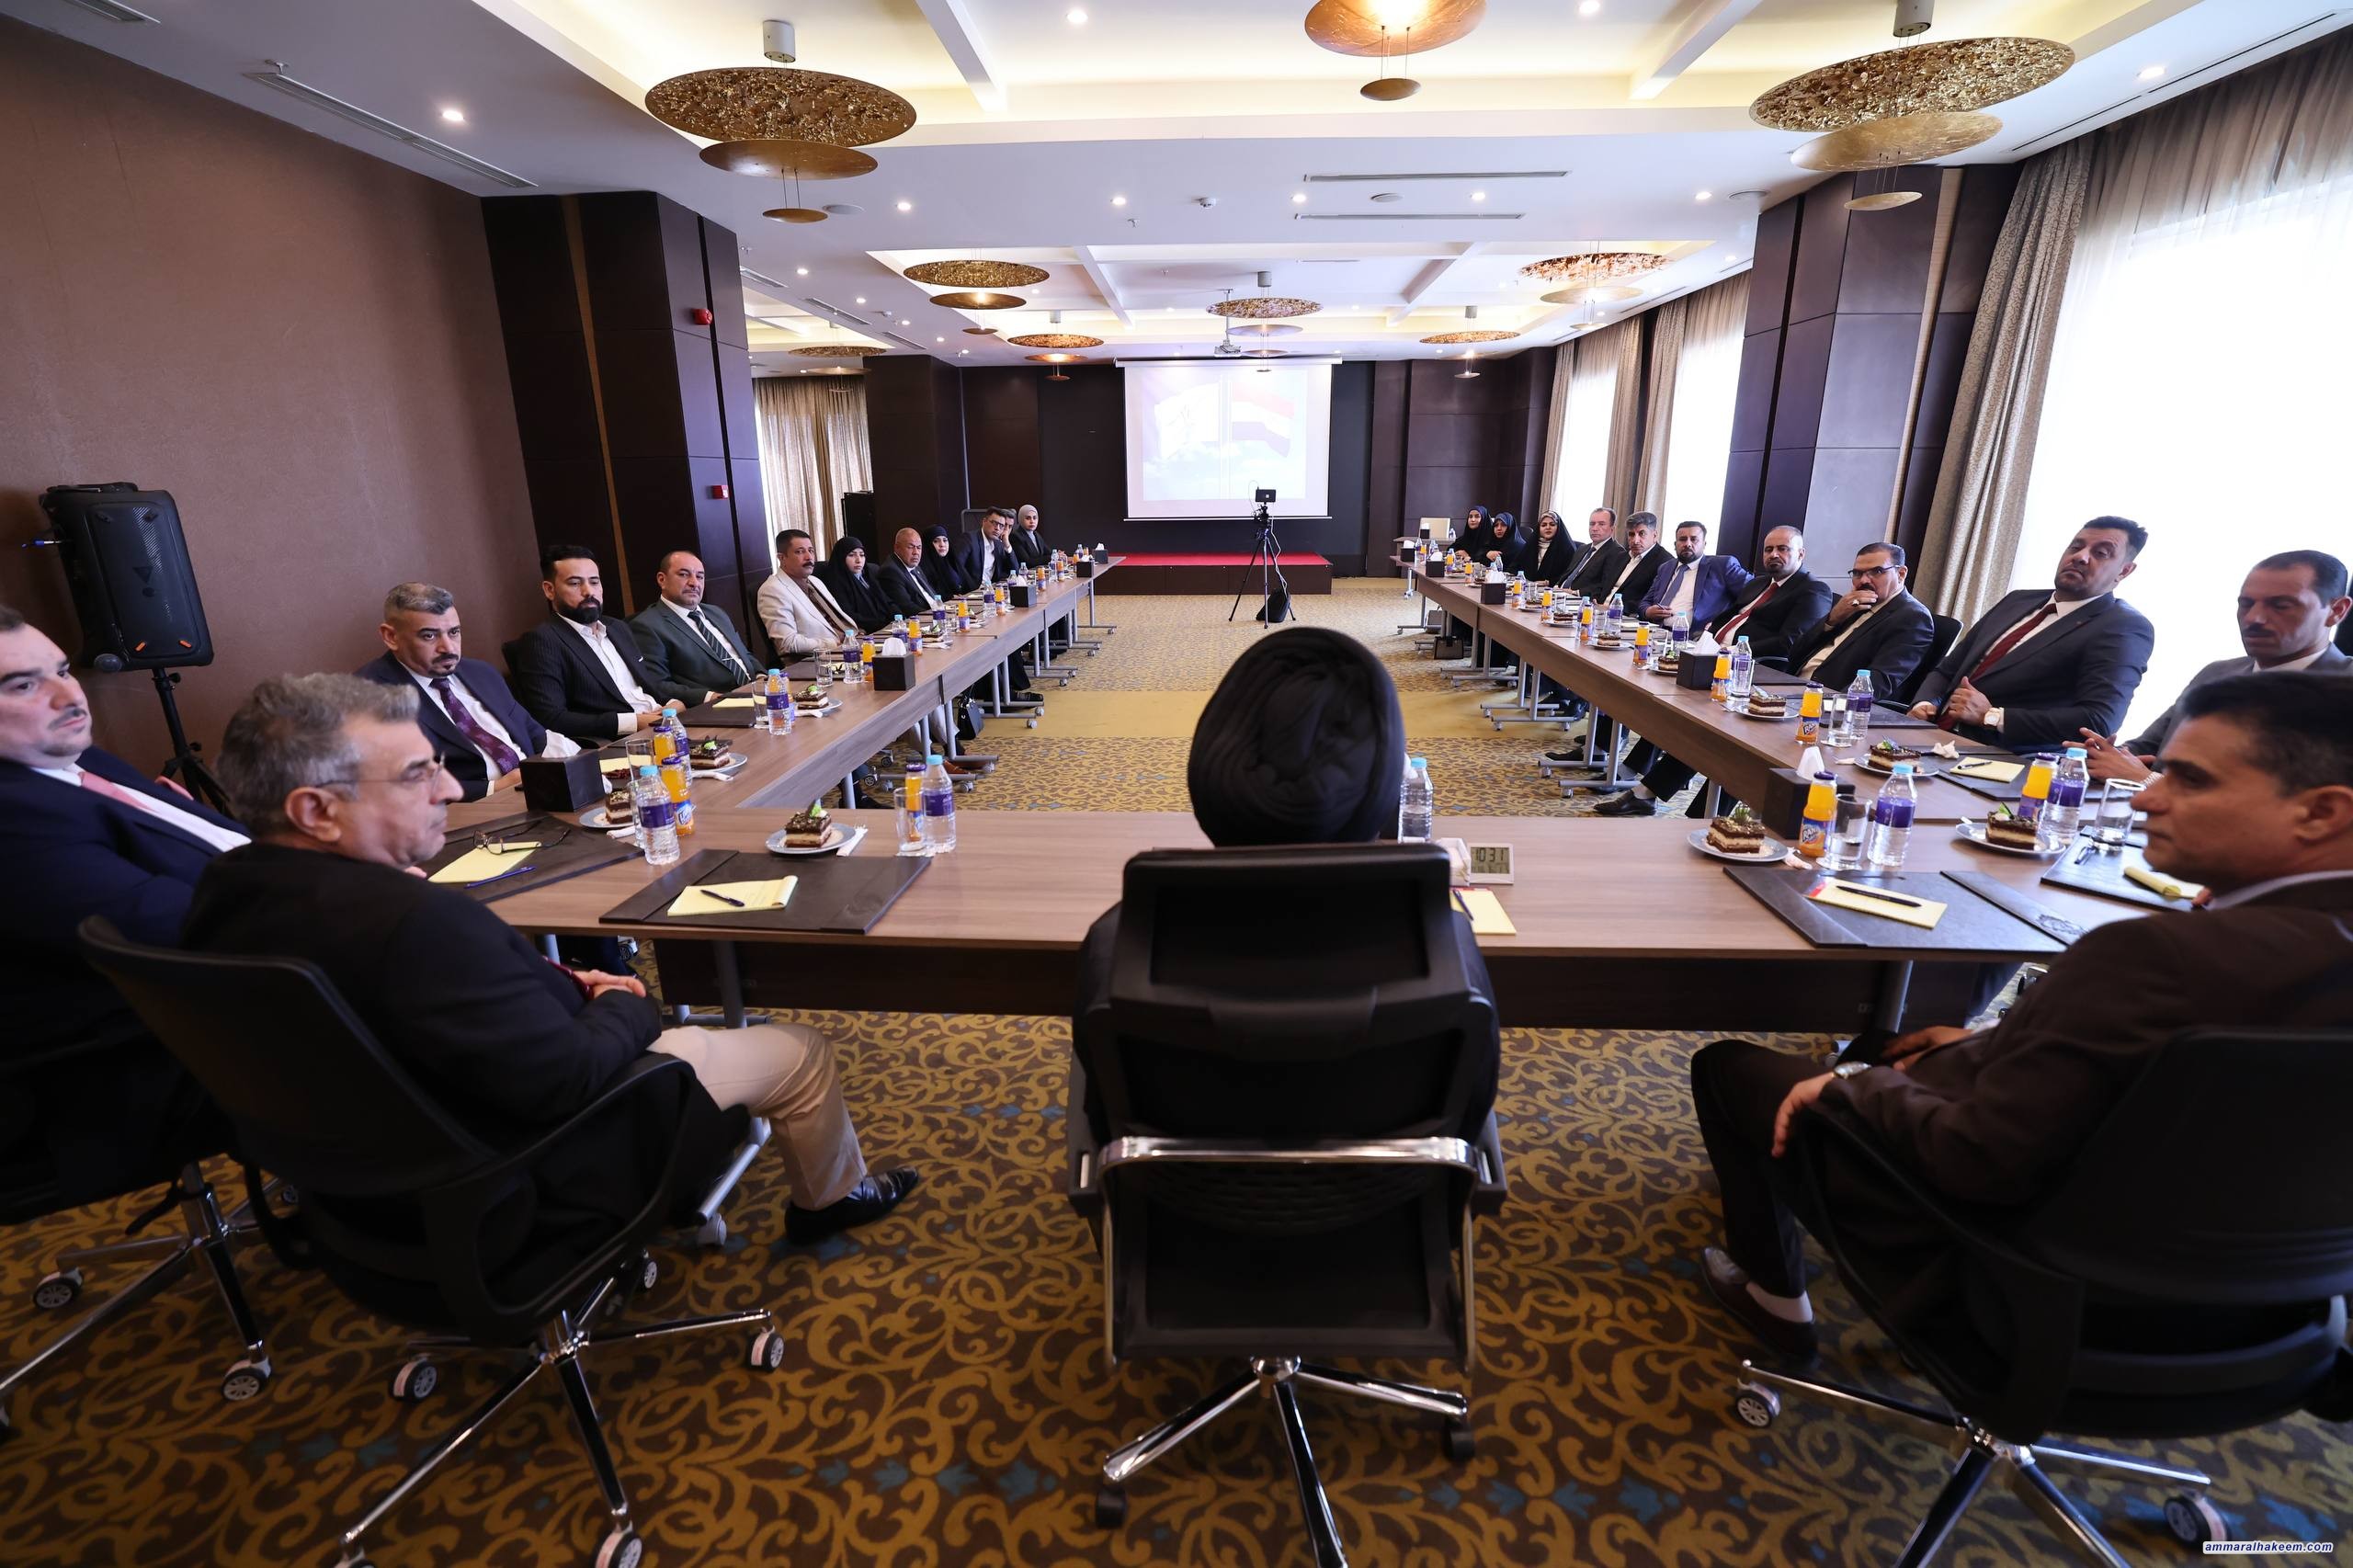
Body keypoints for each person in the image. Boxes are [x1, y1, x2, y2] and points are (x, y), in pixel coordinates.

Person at [1687, 671, 2353, 1359]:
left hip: (2031, 1288)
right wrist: (1988, 1047)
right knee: (1889, 1041)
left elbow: (1974, 1160)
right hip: (2264, 1314)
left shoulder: (2153, 956)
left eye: (2188, 780)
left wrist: (1851, 1085)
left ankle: (1776, 1301)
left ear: (2321, 813)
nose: (2146, 796)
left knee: (1732, 1070)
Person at [184, 674, 919, 1244]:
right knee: (799, 1051)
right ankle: (829, 1203)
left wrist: (556, 982)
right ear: (316, 811)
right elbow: (565, 1078)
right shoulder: (418, 923)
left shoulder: (221, 894)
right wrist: (624, 1005)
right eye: (417, 774)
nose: (450, 788)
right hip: (533, 1161)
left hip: (369, 1184)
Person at [1071, 626, 1500, 1144]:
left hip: (1175, 1192)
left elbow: (1105, 1114)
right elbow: (1469, 1109)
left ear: (1206, 773)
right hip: (1392, 1191)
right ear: (1383, 790)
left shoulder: (1122, 943)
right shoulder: (1445, 947)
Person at [0, 604, 241, 1199]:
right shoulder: (12, 816)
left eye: (63, 670)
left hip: (224, 986)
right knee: (414, 1012)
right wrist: (345, 897)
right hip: (133, 1060)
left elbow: (228, 850)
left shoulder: (80, 760)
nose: (69, 697)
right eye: (24, 685)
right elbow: (182, 930)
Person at [1596, 528, 1836, 814]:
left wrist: (1734, 650)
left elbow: (1790, 642)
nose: (1774, 555)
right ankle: (1642, 785)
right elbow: (1727, 615)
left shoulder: (1812, 590)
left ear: (1801, 553)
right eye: (1769, 549)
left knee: (1704, 730)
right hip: (1714, 658)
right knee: (1676, 713)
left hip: (1755, 674)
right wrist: (1707, 639)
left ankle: (1655, 795)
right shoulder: (1760, 583)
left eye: (1783, 549)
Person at [2083, 550, 2351, 783]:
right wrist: (2098, 757)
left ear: (2337, 611)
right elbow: (2145, 750)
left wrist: (2147, 781)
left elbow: (2300, 805)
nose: (2254, 618)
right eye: (2246, 604)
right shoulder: (2217, 674)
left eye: (2280, 606)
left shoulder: (2344, 691)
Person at [1907, 517, 2155, 749]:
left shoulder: (2122, 626)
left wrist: (1992, 717)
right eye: (2076, 547)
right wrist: (1926, 703)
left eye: (2101, 553)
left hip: (2000, 757)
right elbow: (1949, 669)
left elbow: (2099, 721)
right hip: (1931, 735)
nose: (2080, 557)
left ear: (2124, 571)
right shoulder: (2017, 600)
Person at [358, 582, 577, 801]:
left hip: (538, 791)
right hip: (473, 809)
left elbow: (533, 733)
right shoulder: (368, 696)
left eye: (454, 632)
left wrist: (566, 766)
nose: (448, 648)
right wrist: (495, 788)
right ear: (391, 637)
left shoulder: (481, 672)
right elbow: (400, 784)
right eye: (429, 636)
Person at [508, 543, 683, 744]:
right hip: (624, 742)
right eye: (575, 583)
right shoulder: (542, 641)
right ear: (549, 590)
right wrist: (633, 722)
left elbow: (648, 686)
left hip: (664, 724)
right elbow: (551, 718)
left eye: (594, 582)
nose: (588, 591)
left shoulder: (617, 628)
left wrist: (673, 703)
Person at [1774, 541, 1937, 703]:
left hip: (1829, 701)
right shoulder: (1853, 604)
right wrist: (1832, 619)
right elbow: (1794, 654)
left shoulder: (1913, 618)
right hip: (1793, 687)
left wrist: (1834, 707)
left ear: (1901, 574)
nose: (1864, 580)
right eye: (1858, 573)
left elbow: (1879, 682)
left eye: (1877, 571)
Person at [629, 551, 760, 707]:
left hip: (755, 693)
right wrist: (712, 697)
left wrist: (762, 677)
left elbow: (743, 654)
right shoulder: (646, 626)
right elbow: (659, 685)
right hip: (715, 706)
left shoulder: (716, 612)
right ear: (662, 580)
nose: (694, 583)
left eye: (700, 576)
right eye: (684, 575)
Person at [756, 528, 866, 656]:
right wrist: (834, 643)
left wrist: (854, 637)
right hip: (820, 658)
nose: (809, 557)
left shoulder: (815, 581)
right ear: (782, 558)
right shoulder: (772, 590)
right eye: (800, 552)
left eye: (811, 551)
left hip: (850, 645)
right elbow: (787, 643)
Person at [1638, 521, 1749, 628]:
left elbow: (1754, 592)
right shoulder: (1666, 568)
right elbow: (1646, 602)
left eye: (1694, 539)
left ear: (1704, 544)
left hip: (1697, 635)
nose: (1688, 544)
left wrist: (1731, 623)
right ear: (1675, 544)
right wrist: (1648, 611)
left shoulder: (1723, 566)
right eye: (1682, 539)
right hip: (1658, 632)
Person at [819, 535, 897, 635]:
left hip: (886, 627)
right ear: (841, 557)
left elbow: (887, 602)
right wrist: (881, 623)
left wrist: (899, 618)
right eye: (852, 555)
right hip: (867, 633)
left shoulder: (868, 576)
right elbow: (848, 615)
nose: (859, 560)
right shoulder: (836, 583)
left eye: (862, 555)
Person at [1561, 507, 1626, 599]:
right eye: (1592, 524)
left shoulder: (1617, 552)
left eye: (1601, 524)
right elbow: (1567, 574)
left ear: (1612, 529)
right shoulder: (1582, 548)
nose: (1595, 528)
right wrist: (1557, 587)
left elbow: (1605, 586)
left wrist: (1575, 593)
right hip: (1560, 594)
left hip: (1580, 599)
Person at [954, 509, 1021, 590]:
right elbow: (956, 566)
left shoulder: (999, 544)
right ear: (984, 521)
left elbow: (1014, 572)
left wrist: (1007, 545)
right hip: (972, 591)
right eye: (994, 523)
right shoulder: (969, 539)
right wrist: (963, 588)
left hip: (990, 590)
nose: (997, 528)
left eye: (1001, 526)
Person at [1512, 512, 1579, 585]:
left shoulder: (1567, 548)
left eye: (1552, 524)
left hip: (1552, 589)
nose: (1548, 527)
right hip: (1528, 586)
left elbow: (1569, 575)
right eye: (1544, 525)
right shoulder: (1532, 544)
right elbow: (1514, 567)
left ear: (1558, 527)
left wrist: (1548, 582)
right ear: (1539, 528)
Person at [921, 525, 973, 597]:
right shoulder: (924, 568)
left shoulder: (952, 561)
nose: (942, 545)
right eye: (936, 541)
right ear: (928, 544)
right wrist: (950, 597)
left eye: (945, 540)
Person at [1007, 504, 1051, 571]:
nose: (1032, 521)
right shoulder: (1015, 536)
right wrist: (1051, 557)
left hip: (1039, 573)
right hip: (1026, 574)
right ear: (1021, 519)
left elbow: (1049, 552)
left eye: (1034, 518)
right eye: (1028, 518)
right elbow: (1027, 562)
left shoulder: (1036, 534)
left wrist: (1057, 555)